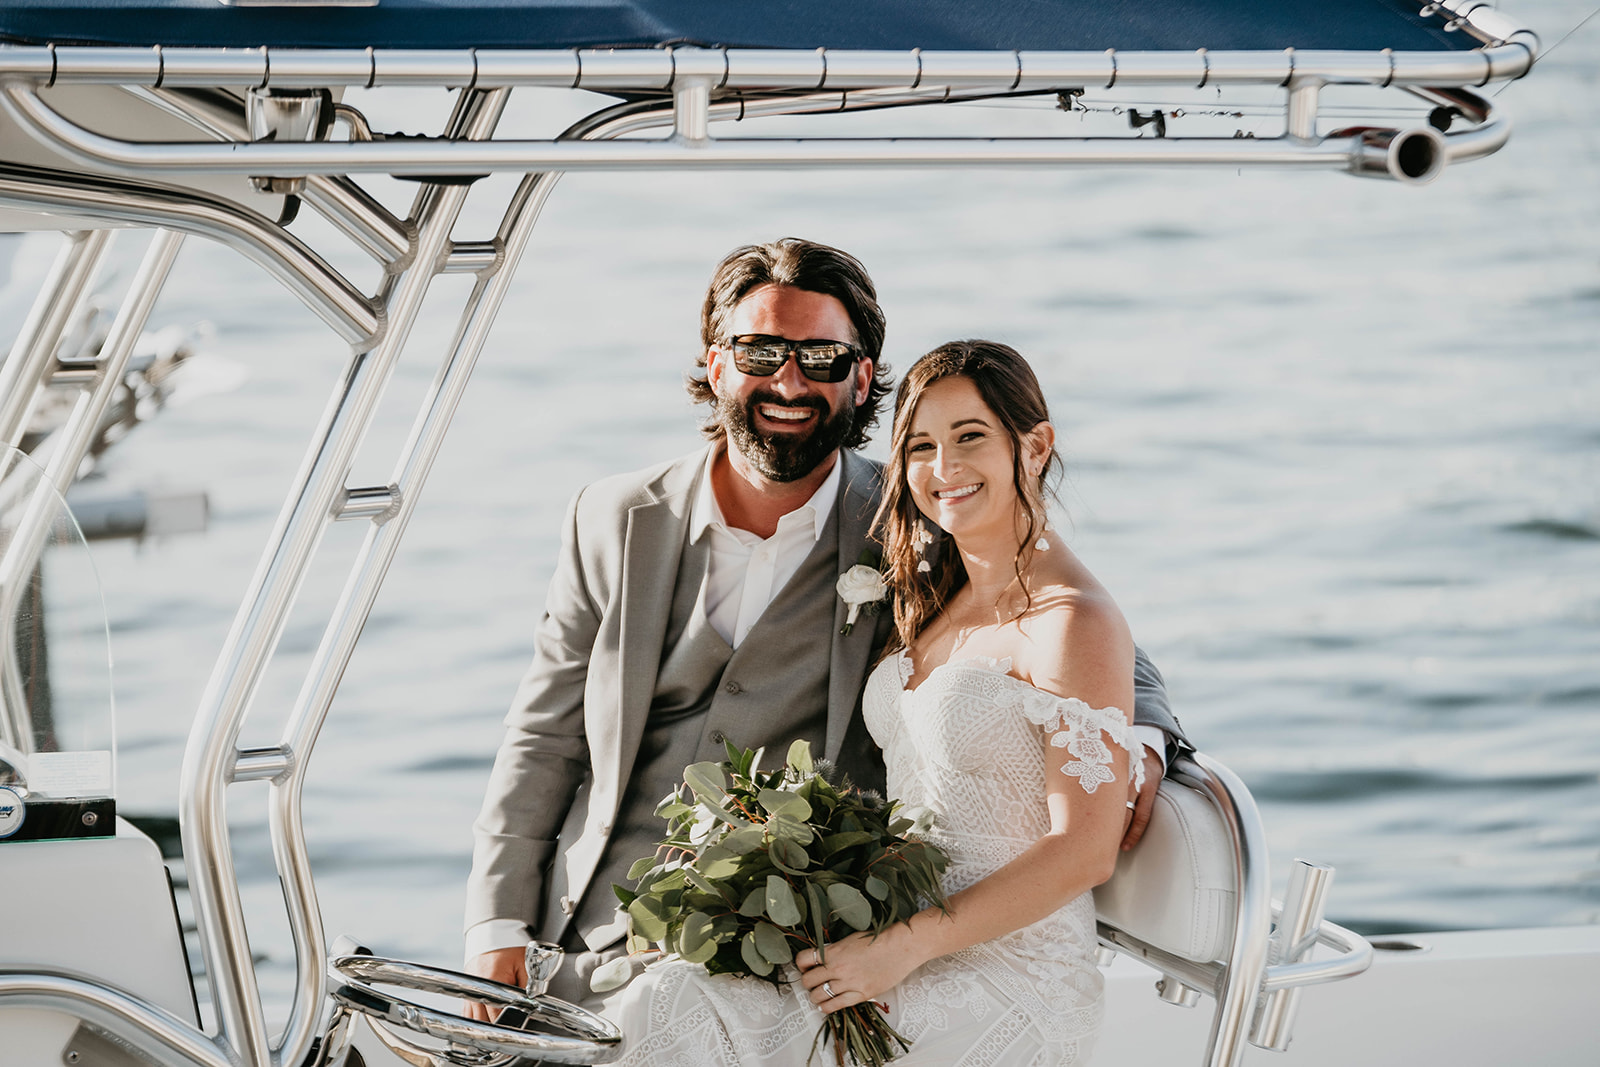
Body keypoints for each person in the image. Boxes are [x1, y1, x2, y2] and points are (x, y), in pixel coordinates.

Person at [463, 241, 1187, 1010]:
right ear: (716, 364)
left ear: (862, 378)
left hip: (784, 938)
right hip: (585, 923)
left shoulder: (917, 514)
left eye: (822, 357)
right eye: (762, 350)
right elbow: (542, 732)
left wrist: (1143, 734)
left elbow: (1071, 620)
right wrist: (495, 920)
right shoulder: (612, 516)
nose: (789, 380)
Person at [601, 340, 1136, 1065]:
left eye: (969, 437)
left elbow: (1085, 850)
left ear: (1034, 445)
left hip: (1011, 974)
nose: (943, 468)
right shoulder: (931, 599)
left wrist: (902, 947)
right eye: (920, 445)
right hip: (898, 942)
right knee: (671, 994)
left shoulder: (1074, 619)